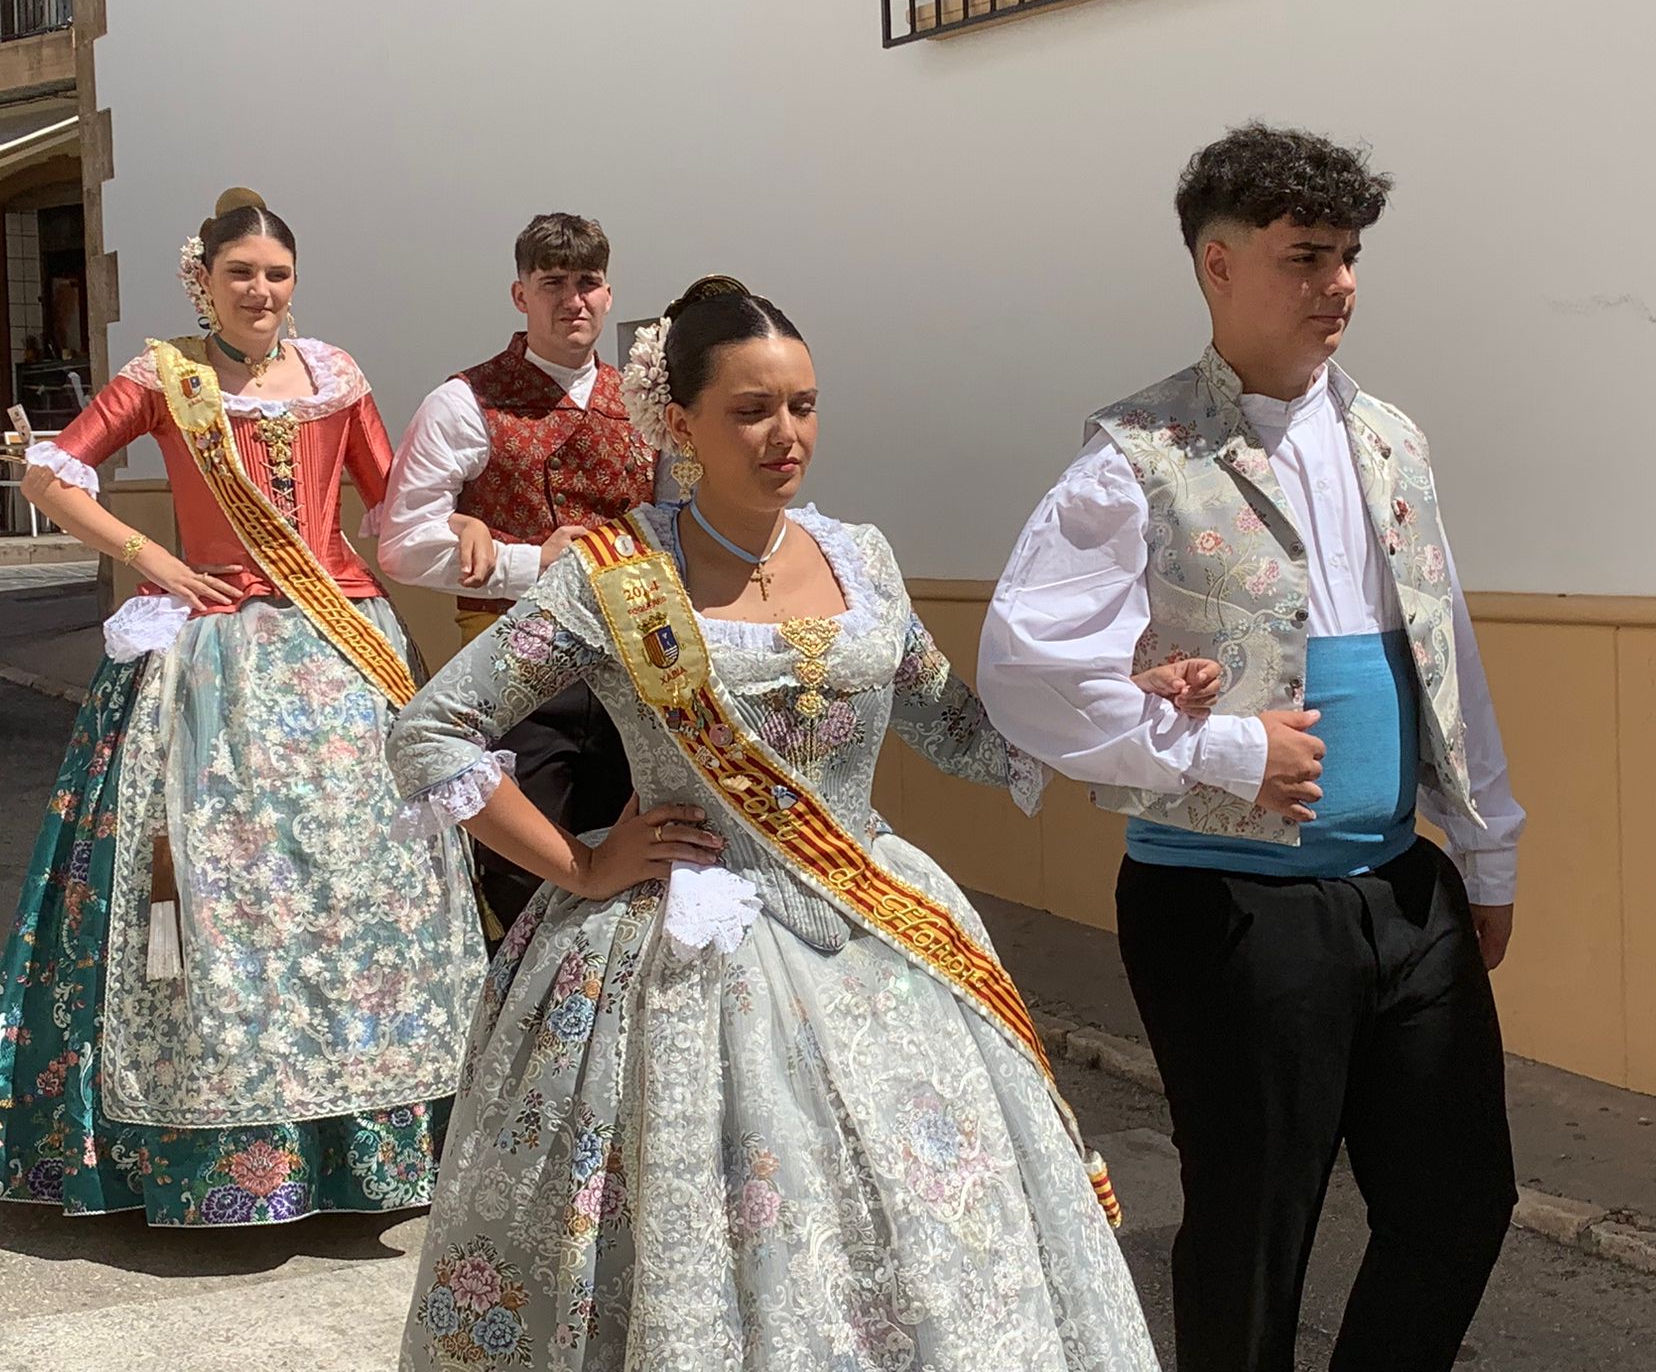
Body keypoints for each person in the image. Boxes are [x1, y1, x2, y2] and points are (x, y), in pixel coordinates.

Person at [383, 276, 1159, 1371]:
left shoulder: (863, 559)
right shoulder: (612, 578)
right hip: (683, 952)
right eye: (750, 409)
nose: (784, 433)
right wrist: (583, 862)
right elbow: (432, 730)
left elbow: (958, 729)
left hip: (878, 928)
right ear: (680, 423)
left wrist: (1126, 701)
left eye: (800, 404)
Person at [979, 123, 1527, 1372]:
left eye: (1347, 257)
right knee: (1253, 1225)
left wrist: (1484, 850)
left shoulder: (1391, 437)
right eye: (1304, 256)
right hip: (1227, 903)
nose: (1337, 283)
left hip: (1399, 882)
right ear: (1215, 266)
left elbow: (1443, 650)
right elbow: (1025, 676)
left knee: (1457, 1202)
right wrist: (1223, 751)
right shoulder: (1136, 457)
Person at [0, 190, 484, 1227]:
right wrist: (151, 560)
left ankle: (372, 1130)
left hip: (342, 647)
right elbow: (56, 472)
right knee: (223, 889)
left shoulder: (335, 376)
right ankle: (222, 1137)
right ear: (203, 280)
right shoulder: (164, 378)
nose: (261, 291)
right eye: (241, 273)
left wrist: (470, 533)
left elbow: (393, 502)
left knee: (362, 885)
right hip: (217, 664)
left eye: (276, 274)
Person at [377, 213, 656, 941]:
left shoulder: (644, 406)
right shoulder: (465, 401)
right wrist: (530, 562)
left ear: (608, 292)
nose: (574, 300)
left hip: (637, 671)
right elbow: (404, 544)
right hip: (521, 680)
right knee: (526, 877)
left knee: (645, 865)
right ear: (519, 294)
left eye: (588, 283)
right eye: (553, 283)